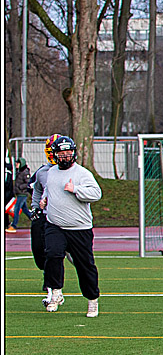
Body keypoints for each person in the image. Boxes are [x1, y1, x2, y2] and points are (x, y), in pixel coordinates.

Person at [40, 135, 103, 317]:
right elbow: (48, 190)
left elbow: (96, 194)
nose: (65, 156)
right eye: (62, 153)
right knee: (52, 253)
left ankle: (92, 300)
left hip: (79, 228)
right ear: (55, 155)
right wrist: (44, 200)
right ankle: (56, 291)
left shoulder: (82, 173)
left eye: (68, 153)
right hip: (55, 225)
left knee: (85, 265)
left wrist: (75, 189)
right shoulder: (51, 172)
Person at [30, 135, 60, 304]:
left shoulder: (74, 171)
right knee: (40, 250)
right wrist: (35, 208)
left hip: (65, 218)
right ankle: (48, 279)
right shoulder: (42, 172)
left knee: (77, 257)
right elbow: (36, 191)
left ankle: (53, 287)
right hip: (45, 215)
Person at [8, 157, 32, 232]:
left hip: (23, 194)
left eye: (17, 163)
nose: (16, 165)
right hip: (19, 193)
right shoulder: (20, 171)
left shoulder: (25, 172)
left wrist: (20, 187)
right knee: (25, 210)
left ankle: (14, 225)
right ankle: (35, 220)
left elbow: (28, 183)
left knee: (17, 209)